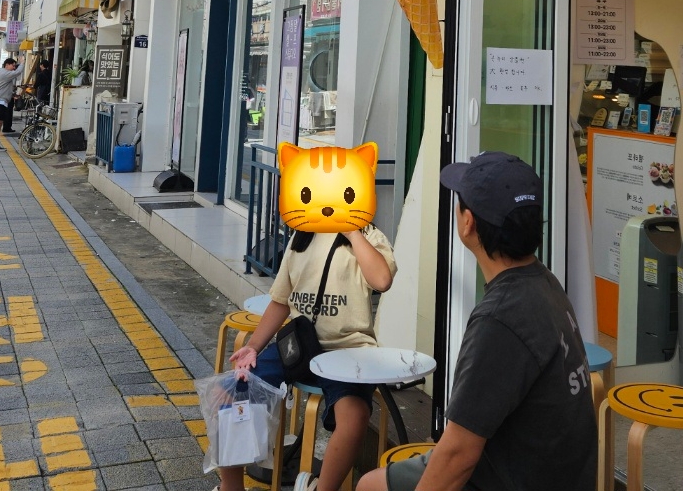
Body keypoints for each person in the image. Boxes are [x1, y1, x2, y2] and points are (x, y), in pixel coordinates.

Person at [358, 152, 597, 491]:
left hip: (511, 477)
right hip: (549, 469)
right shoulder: (544, 283)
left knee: (368, 486)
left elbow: (458, 455)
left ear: (468, 223)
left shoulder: (500, 318)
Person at [220, 224, 398, 491]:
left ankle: (322, 488)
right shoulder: (302, 235)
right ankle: (230, 487)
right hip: (299, 346)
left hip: (348, 350)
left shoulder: (369, 236)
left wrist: (352, 232)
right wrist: (254, 346)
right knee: (234, 391)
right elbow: (281, 300)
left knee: (355, 416)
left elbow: (382, 280)